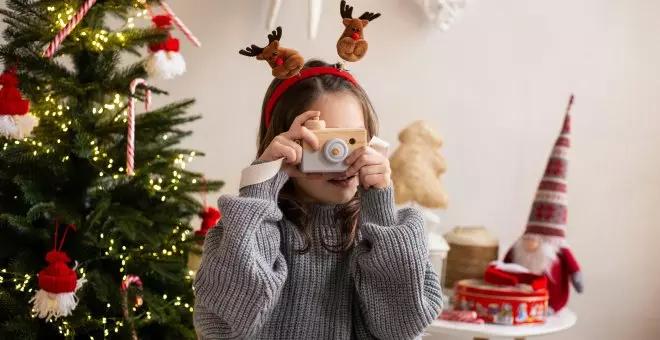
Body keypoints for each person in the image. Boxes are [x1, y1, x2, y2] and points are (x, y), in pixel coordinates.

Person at [192, 59, 444, 339]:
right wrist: (260, 184)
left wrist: (381, 212)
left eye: (351, 139)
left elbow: (401, 328)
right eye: (323, 140)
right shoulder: (244, 233)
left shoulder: (394, 238)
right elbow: (224, 327)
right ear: (286, 140)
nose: (341, 155)